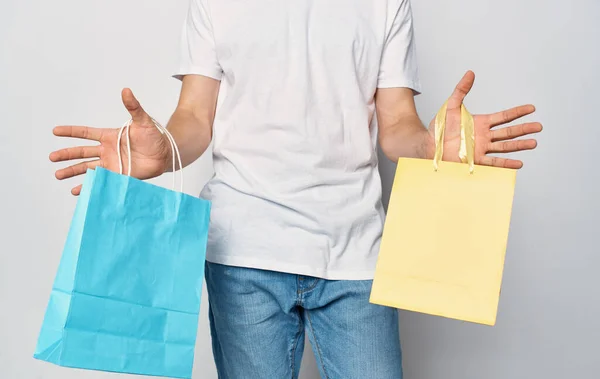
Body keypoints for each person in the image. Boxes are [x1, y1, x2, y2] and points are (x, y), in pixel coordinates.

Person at [48, 0, 542, 377]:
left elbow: (396, 126)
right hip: (243, 251)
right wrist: (165, 149)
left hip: (358, 254)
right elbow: (195, 116)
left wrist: (432, 146)